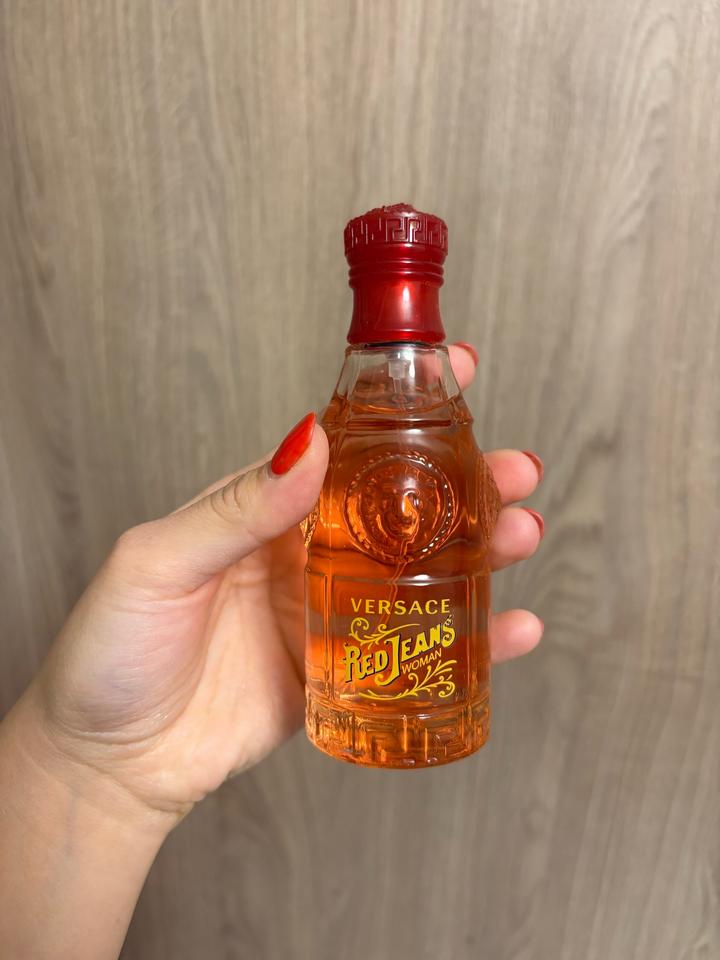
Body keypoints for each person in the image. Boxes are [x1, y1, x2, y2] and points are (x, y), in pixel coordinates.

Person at [0, 343, 544, 959]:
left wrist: (93, 773)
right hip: (337, 698)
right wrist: (92, 762)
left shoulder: (424, 419)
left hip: (435, 701)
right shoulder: (362, 424)